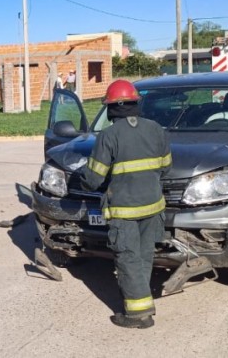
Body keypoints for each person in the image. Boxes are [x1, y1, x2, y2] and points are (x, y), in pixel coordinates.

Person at [76, 79, 171, 329]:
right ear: (135, 104)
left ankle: (138, 314)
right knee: (143, 255)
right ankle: (143, 300)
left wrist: (81, 180)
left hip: (124, 211)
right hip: (153, 207)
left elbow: (94, 178)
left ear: (112, 108)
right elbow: (166, 167)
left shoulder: (109, 135)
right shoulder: (156, 129)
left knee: (127, 258)